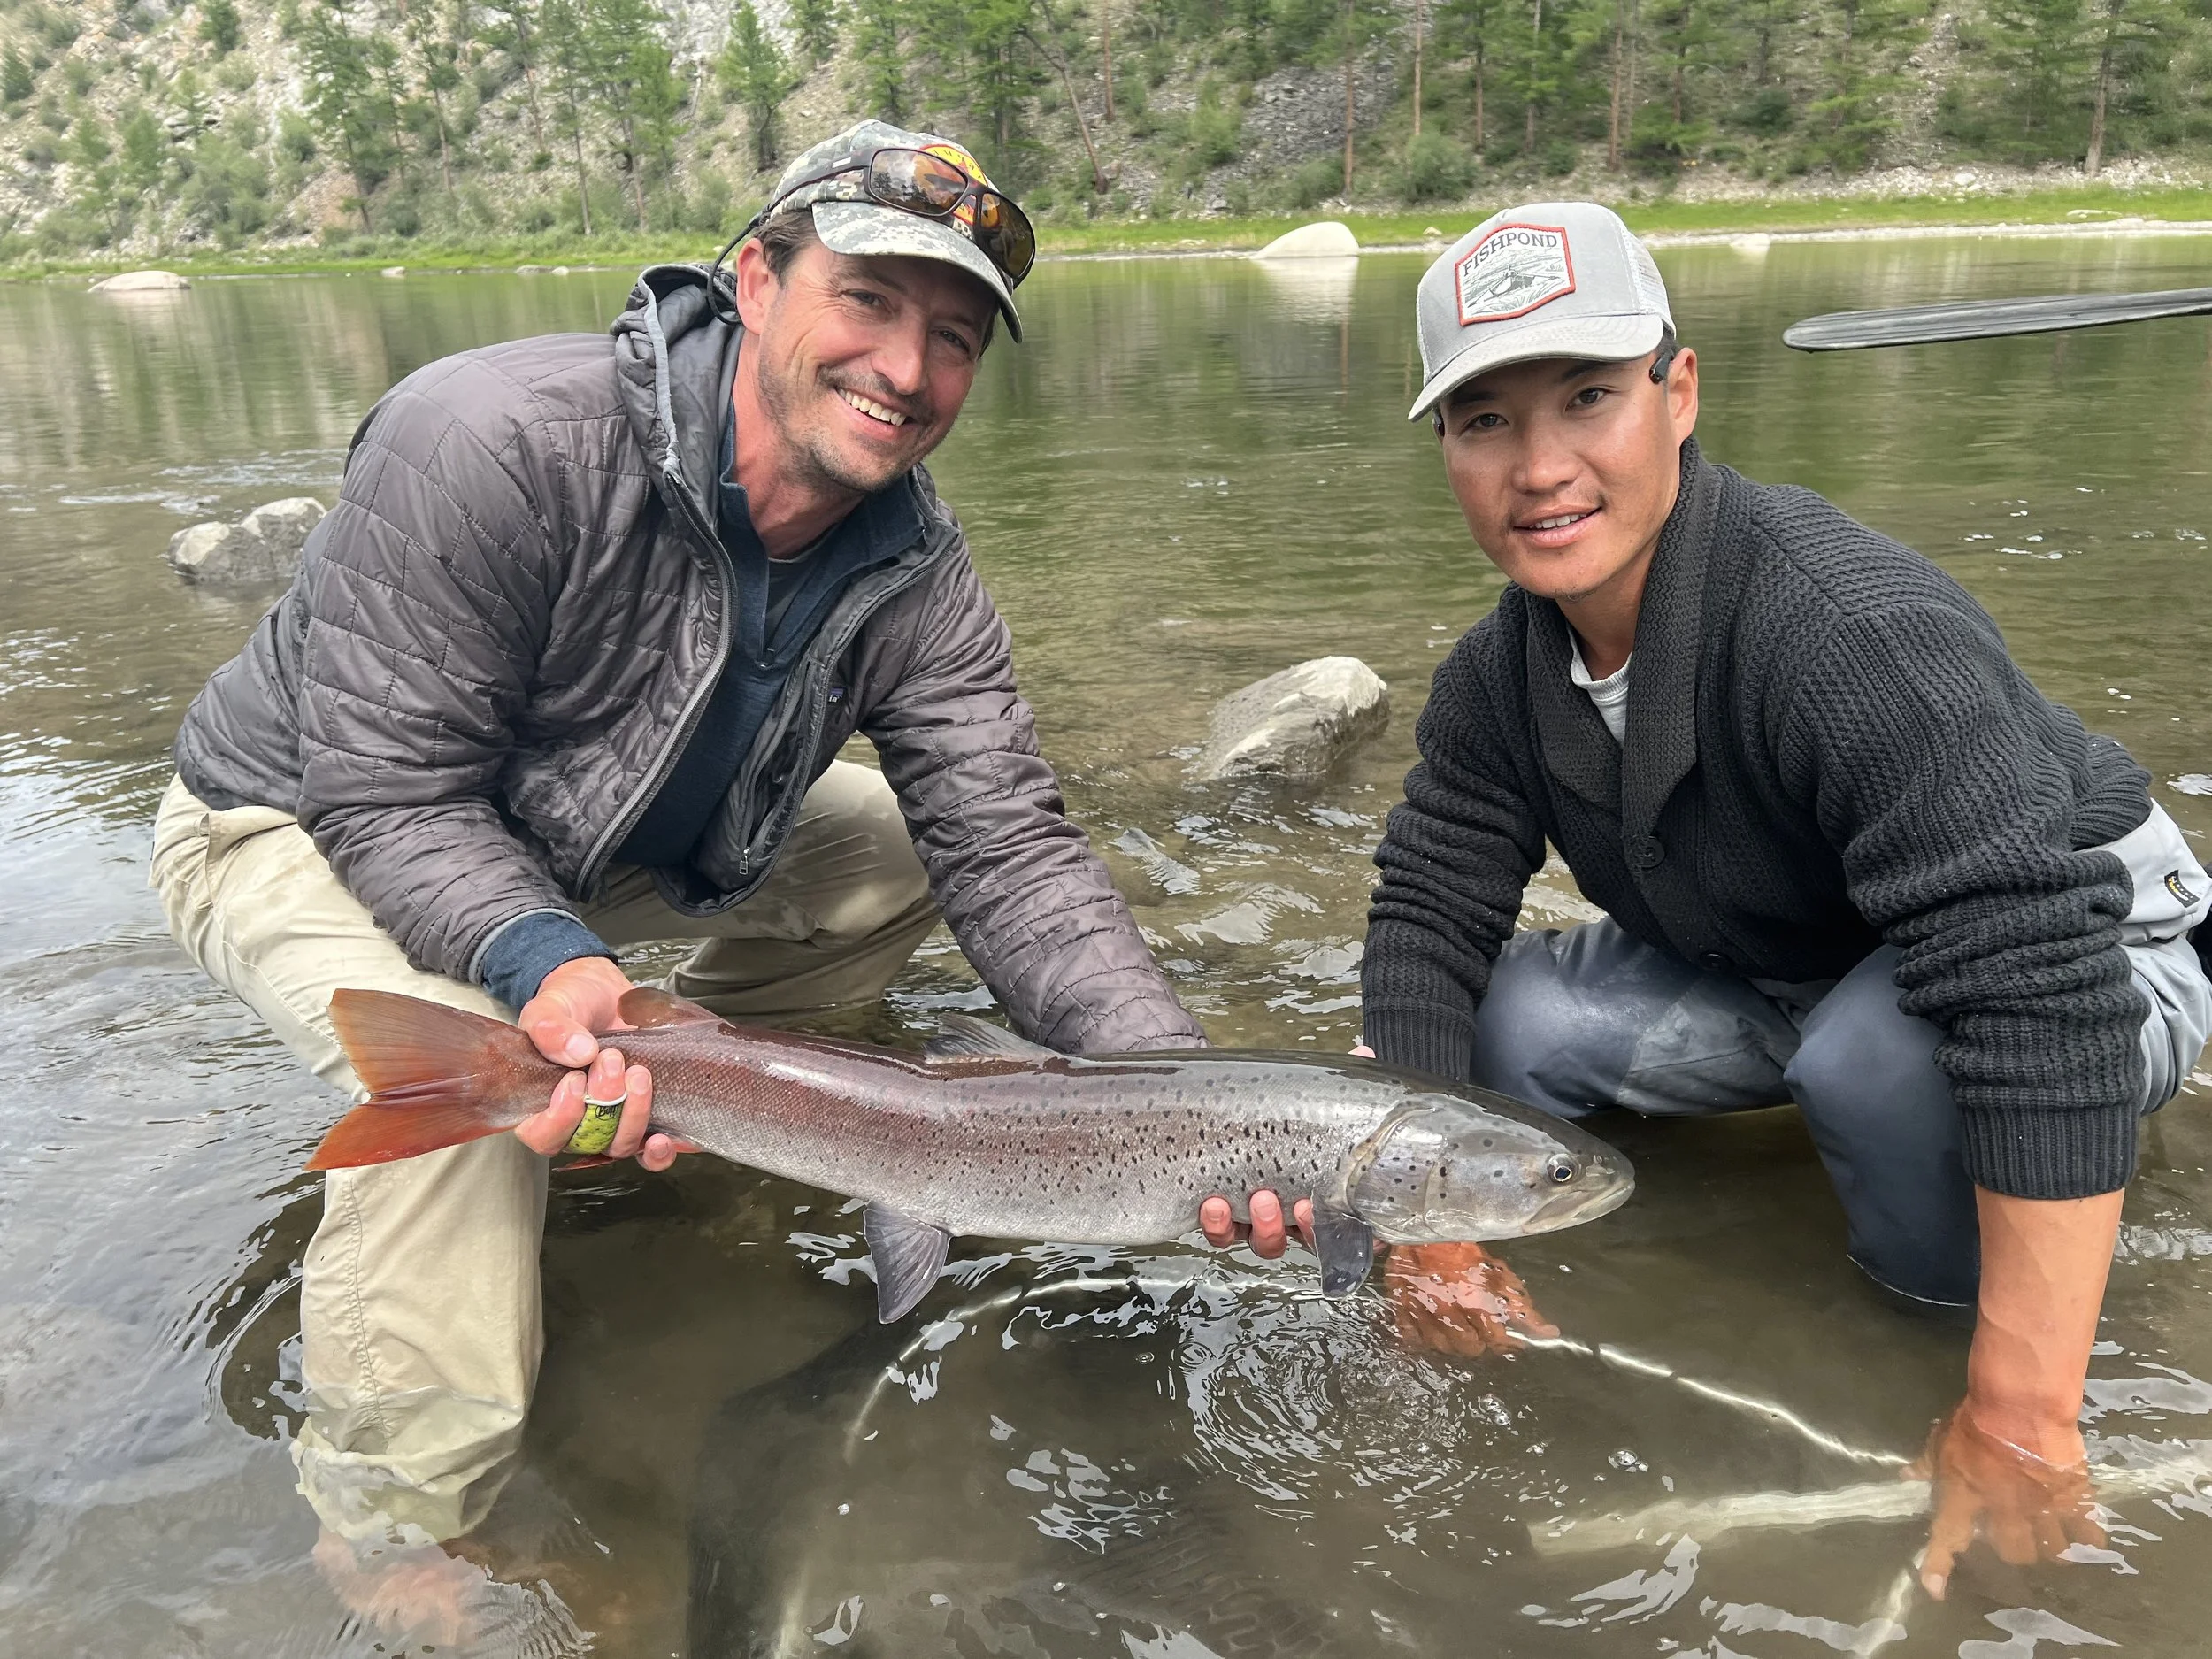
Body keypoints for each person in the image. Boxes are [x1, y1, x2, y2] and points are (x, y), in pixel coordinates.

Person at [149, 120, 1303, 1584]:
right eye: (869, 302)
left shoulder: (915, 568)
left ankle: (727, 1103)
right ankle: (394, 1510)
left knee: (891, 856)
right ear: (755, 278)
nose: (907, 368)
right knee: (488, 1068)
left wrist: (1194, 1097)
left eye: (954, 338)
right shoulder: (492, 439)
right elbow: (389, 792)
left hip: (590, 833)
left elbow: (1010, 849)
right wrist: (550, 963)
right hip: (298, 813)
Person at [1359, 201, 2212, 1601]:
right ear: (1445, 451)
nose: (1544, 466)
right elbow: (1425, 918)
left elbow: (2036, 992)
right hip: (1802, 955)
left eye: (1587, 397)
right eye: (1485, 420)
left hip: (2096, 941)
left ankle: (1936, 1324)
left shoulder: (1845, 632)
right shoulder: (1493, 681)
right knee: (1506, 1021)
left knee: (1878, 1058)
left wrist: (2018, 1411)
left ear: (1678, 392)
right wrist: (1422, 1222)